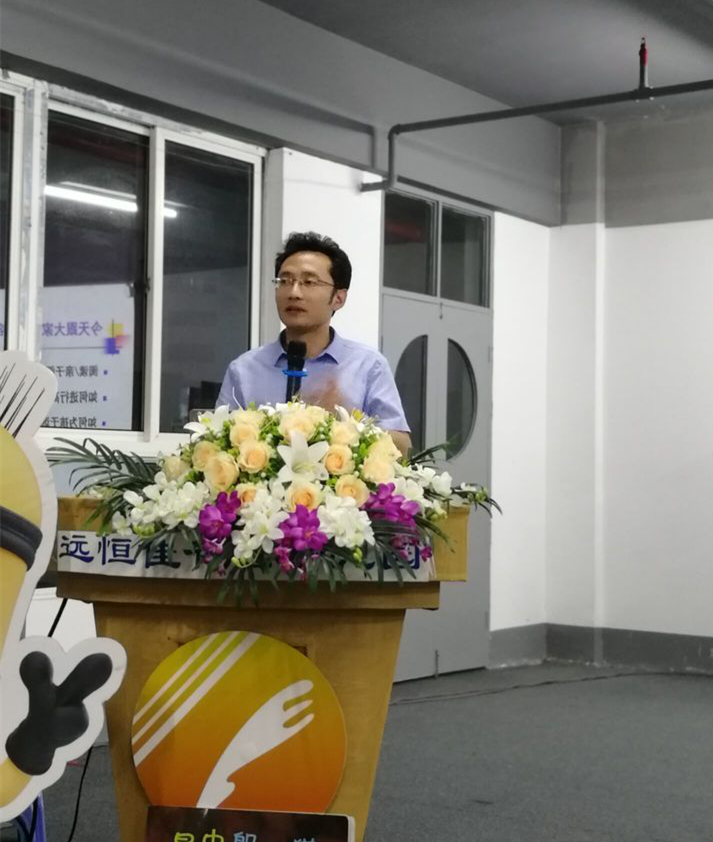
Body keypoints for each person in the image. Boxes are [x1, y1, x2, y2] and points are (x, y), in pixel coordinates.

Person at [217, 231, 412, 455]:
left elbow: (402, 447)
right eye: (284, 281)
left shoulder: (368, 366)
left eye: (309, 282)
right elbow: (216, 443)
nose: (294, 292)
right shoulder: (244, 369)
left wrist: (342, 426)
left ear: (338, 298)